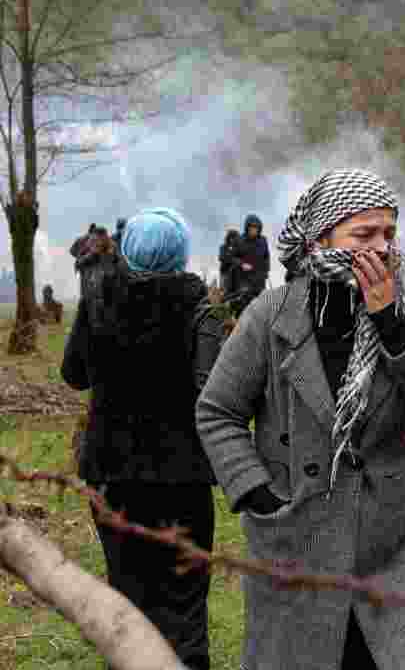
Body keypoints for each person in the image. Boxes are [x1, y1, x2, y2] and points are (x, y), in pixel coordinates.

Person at [195, 169, 405, 670]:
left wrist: (392, 324)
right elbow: (218, 411)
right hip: (296, 540)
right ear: (322, 237)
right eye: (363, 235)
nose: (381, 248)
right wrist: (258, 492)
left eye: (388, 234)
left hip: (394, 545)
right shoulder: (272, 314)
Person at [61, 208, 225, 670]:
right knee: (186, 602)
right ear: (182, 254)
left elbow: (72, 374)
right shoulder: (198, 308)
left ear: (127, 250)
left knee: (129, 598)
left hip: (113, 475)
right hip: (182, 478)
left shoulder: (100, 301)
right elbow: (213, 391)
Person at [233, 214, 271, 314]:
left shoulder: (263, 241)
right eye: (251, 227)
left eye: (256, 228)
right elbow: (233, 258)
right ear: (247, 228)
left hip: (259, 280)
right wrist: (241, 264)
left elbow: (266, 257)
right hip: (244, 279)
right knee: (243, 305)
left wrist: (266, 272)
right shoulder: (239, 240)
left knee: (261, 306)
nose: (254, 230)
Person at [218, 227, 241, 297]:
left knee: (234, 292)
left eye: (235, 238)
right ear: (228, 238)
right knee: (224, 291)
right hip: (225, 273)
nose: (233, 240)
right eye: (231, 238)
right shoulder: (223, 247)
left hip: (235, 275)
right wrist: (233, 259)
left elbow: (240, 260)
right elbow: (221, 257)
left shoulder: (238, 249)